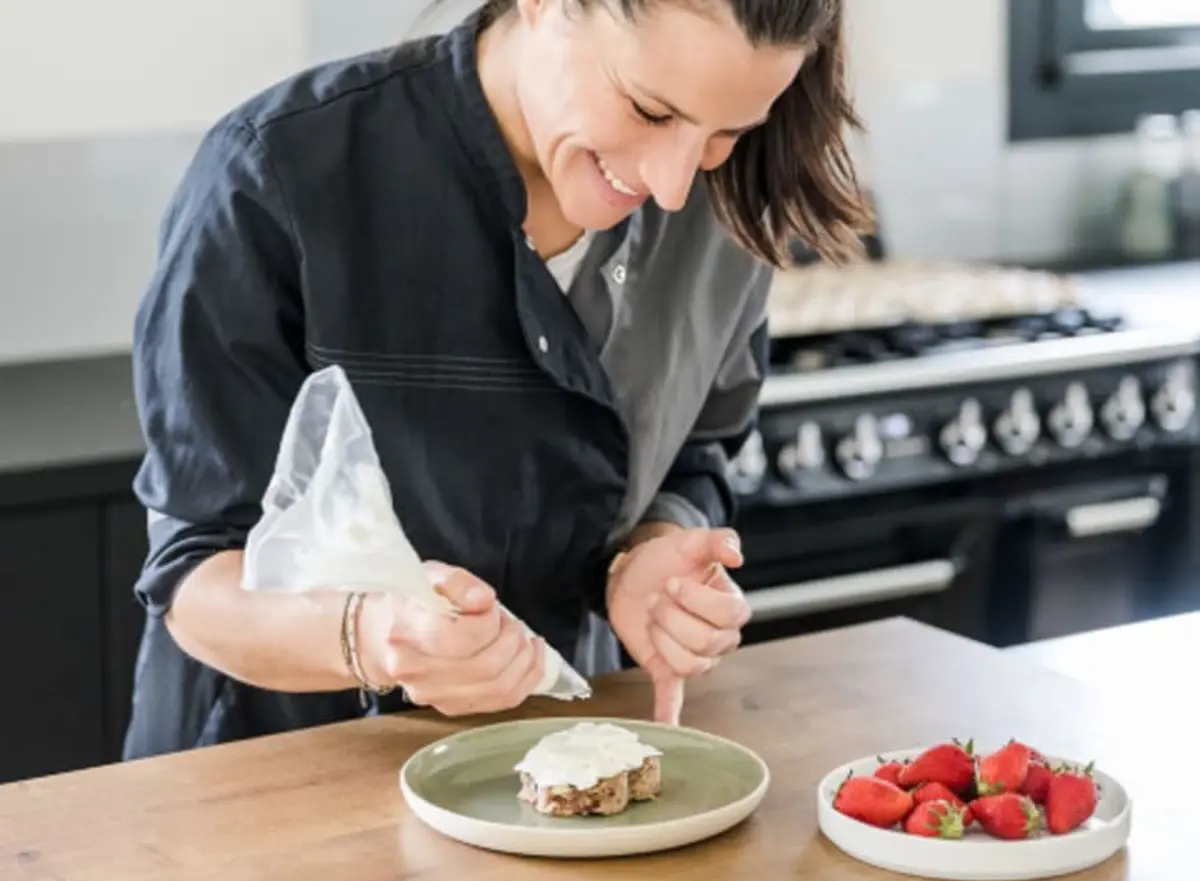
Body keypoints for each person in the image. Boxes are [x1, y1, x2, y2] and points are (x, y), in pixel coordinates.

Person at [124, 0, 870, 759]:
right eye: (649, 110)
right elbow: (195, 574)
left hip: (560, 770)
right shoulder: (279, 169)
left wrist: (653, 551)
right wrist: (371, 638)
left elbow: (693, 451)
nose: (675, 184)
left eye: (726, 134)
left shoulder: (733, 198)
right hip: (276, 787)